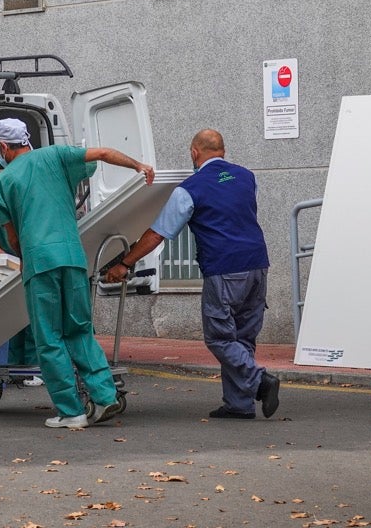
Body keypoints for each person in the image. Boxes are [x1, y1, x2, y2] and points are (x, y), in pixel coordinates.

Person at [0, 118, 155, 428]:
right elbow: (102, 154)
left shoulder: (2, 181)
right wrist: (138, 165)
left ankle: (71, 411)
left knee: (49, 339)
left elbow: (11, 237)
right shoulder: (55, 155)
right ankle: (105, 397)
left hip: (39, 262)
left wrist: (24, 256)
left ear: (4, 147)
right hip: (74, 258)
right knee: (79, 330)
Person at [106, 129, 278, 420]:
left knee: (220, 338)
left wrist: (125, 263)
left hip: (225, 269)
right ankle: (240, 404)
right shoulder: (246, 177)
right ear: (222, 150)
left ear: (194, 153)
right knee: (243, 338)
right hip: (258, 265)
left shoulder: (191, 188)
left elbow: (158, 233)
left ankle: (260, 379)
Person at [0, 173, 43, 387]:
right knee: (13, 320)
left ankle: (34, 368)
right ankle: (15, 367)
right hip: (9, 266)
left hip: (29, 260)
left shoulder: (25, 202)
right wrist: (9, 258)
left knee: (32, 318)